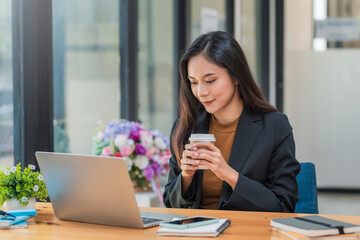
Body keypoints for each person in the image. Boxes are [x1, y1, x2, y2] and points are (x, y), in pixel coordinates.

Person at [162, 31, 301, 212]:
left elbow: (283, 207)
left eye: (210, 80)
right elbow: (169, 205)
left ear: (236, 76)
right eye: (193, 82)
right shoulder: (186, 126)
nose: (201, 92)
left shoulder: (274, 127)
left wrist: (228, 174)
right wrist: (186, 176)